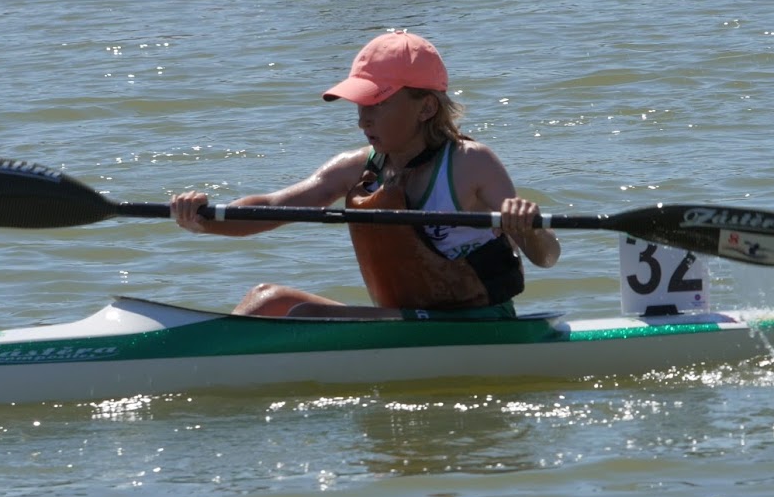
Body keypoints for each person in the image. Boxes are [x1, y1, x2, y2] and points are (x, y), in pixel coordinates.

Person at [171, 31, 560, 319]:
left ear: (425, 108)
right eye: (360, 104)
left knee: (302, 316)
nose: (362, 119)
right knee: (268, 298)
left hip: (474, 324)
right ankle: (199, 362)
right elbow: (273, 206)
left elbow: (547, 257)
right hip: (408, 321)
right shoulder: (357, 168)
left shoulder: (470, 163)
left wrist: (528, 227)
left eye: (377, 104)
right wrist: (205, 219)